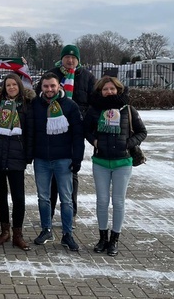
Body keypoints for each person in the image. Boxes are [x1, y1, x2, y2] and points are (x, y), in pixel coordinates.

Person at [83, 76, 147, 257]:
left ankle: (114, 239)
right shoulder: (95, 109)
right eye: (105, 89)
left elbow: (142, 131)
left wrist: (127, 144)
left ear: (118, 89)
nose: (109, 92)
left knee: (118, 202)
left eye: (112, 89)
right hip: (101, 162)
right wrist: (94, 141)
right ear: (100, 91)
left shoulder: (128, 109)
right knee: (102, 201)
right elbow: (85, 129)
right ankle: (102, 237)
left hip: (123, 163)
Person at [42, 44, 96, 224]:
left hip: (75, 128)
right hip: (53, 128)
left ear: (78, 60)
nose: (70, 60)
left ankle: (70, 211)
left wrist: (84, 119)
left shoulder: (87, 77)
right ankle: (48, 213)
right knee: (52, 171)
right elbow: (40, 97)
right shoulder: (52, 74)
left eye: (74, 58)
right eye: (67, 57)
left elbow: (94, 102)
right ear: (62, 58)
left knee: (71, 170)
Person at [31, 72, 84, 251]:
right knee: (43, 198)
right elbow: (30, 132)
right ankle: (46, 229)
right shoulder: (35, 105)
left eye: (52, 86)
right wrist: (29, 154)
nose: (49, 89)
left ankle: (67, 234)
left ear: (59, 86)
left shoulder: (70, 106)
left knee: (66, 200)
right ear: (41, 87)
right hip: (42, 159)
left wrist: (77, 158)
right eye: (46, 86)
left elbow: (78, 135)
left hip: (63, 159)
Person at [0, 73, 35, 251]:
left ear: (19, 86)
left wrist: (28, 154)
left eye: (14, 84)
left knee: (18, 197)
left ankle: (18, 233)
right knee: (1, 195)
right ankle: (5, 230)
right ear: (4, 88)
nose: (11, 87)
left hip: (16, 157)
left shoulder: (26, 106)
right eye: (8, 85)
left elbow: (29, 131)